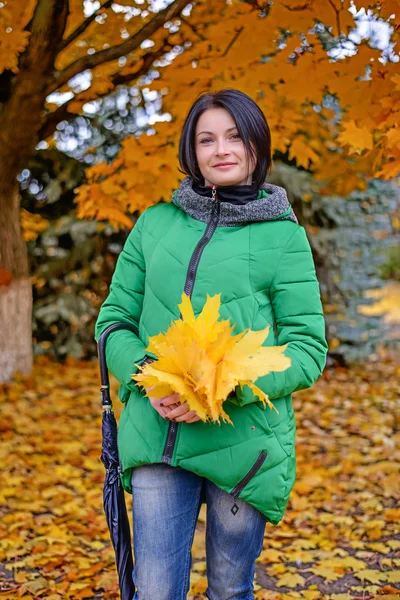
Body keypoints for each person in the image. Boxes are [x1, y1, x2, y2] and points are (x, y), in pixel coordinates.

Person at [95, 88, 328, 600]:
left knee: (229, 589)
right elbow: (112, 321)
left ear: (255, 147)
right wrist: (147, 376)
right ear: (191, 151)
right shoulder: (154, 224)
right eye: (207, 139)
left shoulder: (284, 237)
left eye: (235, 136)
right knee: (155, 591)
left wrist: (220, 391)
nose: (221, 148)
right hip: (158, 434)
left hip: (245, 444)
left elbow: (308, 350)